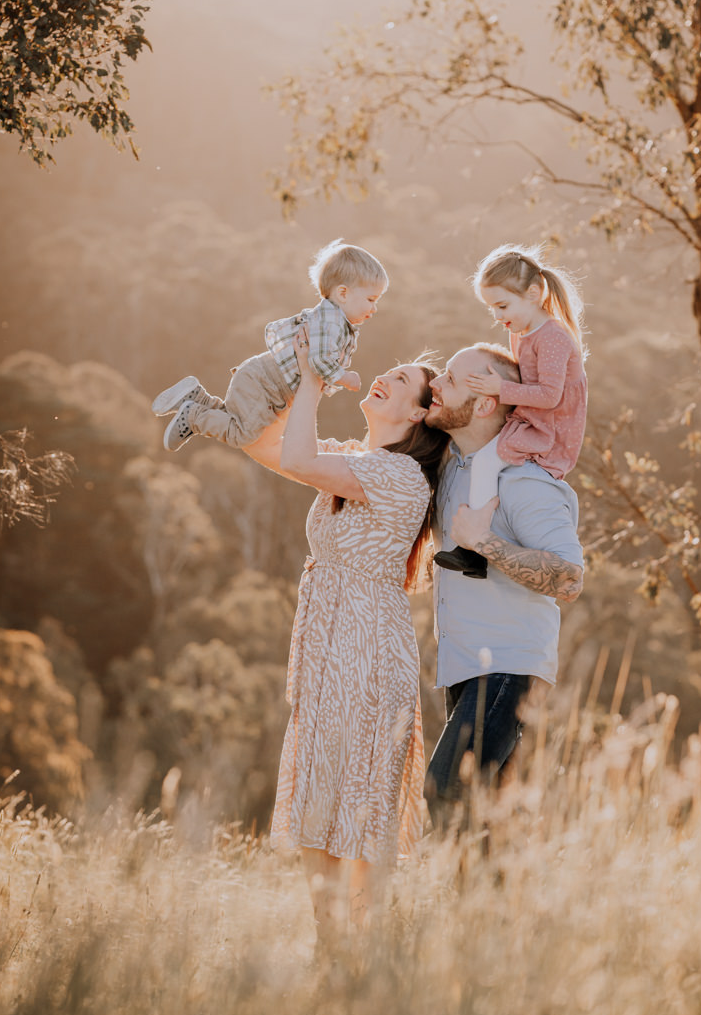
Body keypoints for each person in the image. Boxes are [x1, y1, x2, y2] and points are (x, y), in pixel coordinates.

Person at [244, 332, 447, 940]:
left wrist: (312, 382)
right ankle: (331, 949)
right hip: (326, 644)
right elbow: (267, 445)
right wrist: (301, 380)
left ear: (417, 413)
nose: (384, 376)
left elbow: (301, 461)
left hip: (368, 647)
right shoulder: (354, 457)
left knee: (358, 801)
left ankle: (364, 948)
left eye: (402, 381)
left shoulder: (404, 477)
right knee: (317, 790)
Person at [424, 341, 584, 827]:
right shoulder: (454, 467)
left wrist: (484, 543)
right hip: (462, 666)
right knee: (485, 815)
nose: (436, 384)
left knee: (449, 794)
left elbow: (569, 577)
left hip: (509, 665)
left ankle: (459, 902)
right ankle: (493, 902)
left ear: (486, 403)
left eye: (450, 380)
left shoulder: (524, 482)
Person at [434, 243, 587, 579]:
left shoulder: (553, 338)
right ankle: (470, 548)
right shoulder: (520, 332)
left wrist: (497, 389)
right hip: (528, 415)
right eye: (492, 309)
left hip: (549, 426)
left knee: (488, 461)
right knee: (480, 454)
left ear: (534, 294)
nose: (498, 317)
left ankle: (473, 550)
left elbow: (549, 396)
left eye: (503, 305)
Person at [150, 239, 387, 452]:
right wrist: (345, 377)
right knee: (242, 435)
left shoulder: (334, 320)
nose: (374, 309)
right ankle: (194, 416)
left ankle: (197, 398)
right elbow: (319, 361)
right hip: (263, 385)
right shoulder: (332, 322)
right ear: (343, 293)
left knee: (234, 421)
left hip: (262, 382)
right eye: (371, 300)